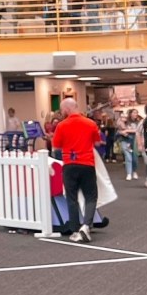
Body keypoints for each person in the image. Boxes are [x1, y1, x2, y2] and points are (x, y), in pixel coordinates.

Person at [51, 98, 102, 244]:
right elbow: (97, 142)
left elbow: (56, 146)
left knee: (71, 198)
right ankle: (86, 225)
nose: (61, 112)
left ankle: (74, 230)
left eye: (62, 110)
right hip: (87, 163)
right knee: (91, 197)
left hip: (70, 164)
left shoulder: (61, 125)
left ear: (66, 109)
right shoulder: (90, 123)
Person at [119, 108, 141, 180]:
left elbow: (138, 131)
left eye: (136, 113)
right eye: (134, 113)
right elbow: (120, 130)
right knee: (128, 157)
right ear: (130, 114)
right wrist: (123, 132)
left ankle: (134, 171)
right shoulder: (125, 121)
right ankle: (129, 173)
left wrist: (127, 130)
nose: (135, 114)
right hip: (125, 140)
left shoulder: (138, 122)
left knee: (135, 158)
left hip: (134, 141)